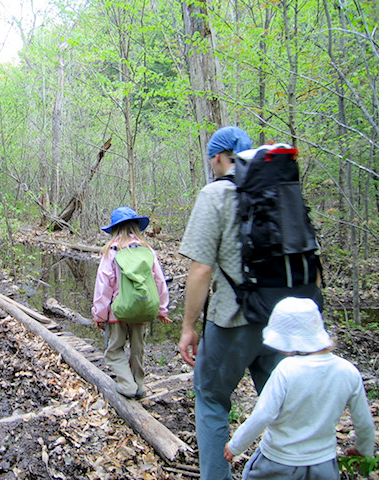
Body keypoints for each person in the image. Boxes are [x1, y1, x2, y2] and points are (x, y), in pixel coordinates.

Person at [177, 126, 284, 480]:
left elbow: (201, 270)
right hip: (282, 321)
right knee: (282, 405)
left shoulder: (215, 195)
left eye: (212, 158)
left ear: (220, 158)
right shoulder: (279, 191)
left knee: (211, 398)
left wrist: (189, 327)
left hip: (233, 320)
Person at [224, 297, 375, 479]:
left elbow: (263, 415)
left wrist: (235, 446)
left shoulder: (286, 370)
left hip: (278, 462)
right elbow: (364, 422)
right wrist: (363, 449)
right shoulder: (348, 371)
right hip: (323, 464)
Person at [92, 206, 171, 399]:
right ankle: (139, 385)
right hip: (143, 308)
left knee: (114, 350)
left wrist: (99, 314)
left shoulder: (111, 251)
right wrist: (162, 309)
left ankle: (127, 385)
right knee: (138, 350)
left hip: (118, 311)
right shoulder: (147, 251)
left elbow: (104, 286)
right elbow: (159, 281)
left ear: (114, 229)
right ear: (136, 227)